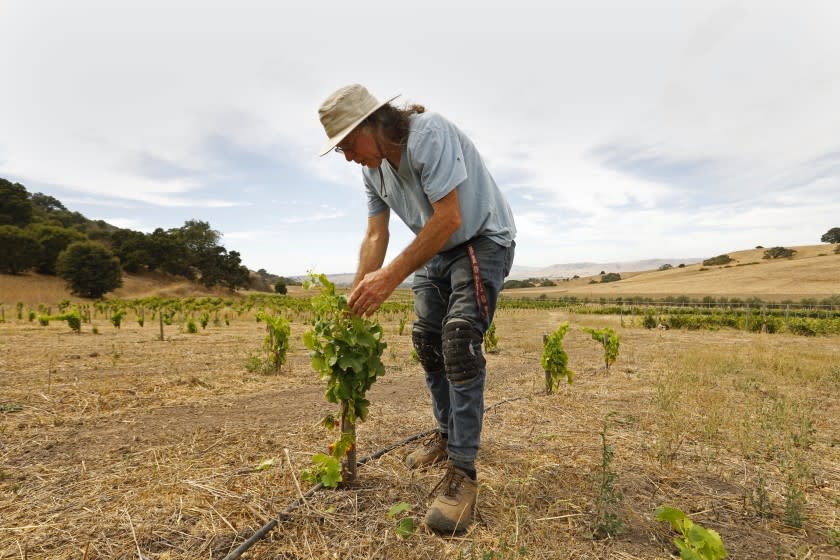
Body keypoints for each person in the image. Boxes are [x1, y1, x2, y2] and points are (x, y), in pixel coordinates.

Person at [317, 84, 516, 533]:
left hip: (479, 240)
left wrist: (390, 277)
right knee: (427, 344)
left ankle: (463, 474)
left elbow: (449, 219)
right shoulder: (373, 171)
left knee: (459, 342)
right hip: (437, 249)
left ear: (373, 124)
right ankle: (446, 437)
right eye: (341, 151)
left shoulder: (428, 135)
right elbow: (375, 236)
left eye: (349, 145)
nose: (348, 157)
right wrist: (356, 297)